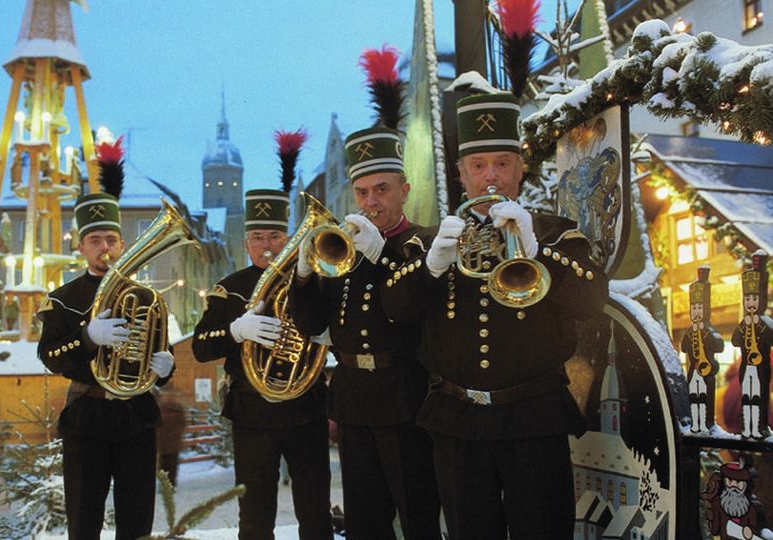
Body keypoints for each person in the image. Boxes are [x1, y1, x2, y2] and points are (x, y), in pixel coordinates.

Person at [381, 93, 609, 538]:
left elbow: (590, 299)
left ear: (520, 169)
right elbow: (395, 309)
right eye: (479, 164)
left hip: (534, 416)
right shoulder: (429, 242)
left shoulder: (555, 233)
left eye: (502, 163)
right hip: (457, 421)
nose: (491, 176)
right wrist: (431, 265)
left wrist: (536, 249)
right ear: (462, 173)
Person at [288, 123, 441, 538]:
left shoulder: (422, 243)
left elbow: (411, 310)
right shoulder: (344, 249)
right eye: (362, 192)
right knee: (364, 521)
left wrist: (381, 256)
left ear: (404, 190)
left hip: (406, 395)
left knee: (418, 514)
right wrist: (303, 276)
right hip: (355, 398)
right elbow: (312, 324)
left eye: (382, 189)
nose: (370, 203)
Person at [37, 139, 175, 540]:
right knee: (84, 520)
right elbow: (51, 356)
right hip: (87, 419)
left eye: (112, 239)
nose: (106, 248)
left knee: (137, 521)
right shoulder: (63, 299)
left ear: (122, 244)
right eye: (95, 240)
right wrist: (88, 337)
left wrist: (166, 368)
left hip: (136, 417)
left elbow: (159, 351)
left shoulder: (144, 297)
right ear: (80, 246)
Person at [192, 188, 333, 540]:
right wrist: (236, 330)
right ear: (245, 244)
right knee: (254, 515)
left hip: (306, 409)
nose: (267, 244)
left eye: (275, 235)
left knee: (316, 510)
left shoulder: (311, 282)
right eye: (257, 237)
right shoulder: (230, 289)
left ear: (289, 238)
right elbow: (200, 348)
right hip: (252, 413)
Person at [731, 251, 772, 439]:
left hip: (760, 368)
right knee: (747, 398)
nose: (751, 303)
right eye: (747, 299)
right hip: (746, 367)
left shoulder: (764, 323)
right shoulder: (744, 323)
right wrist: (744, 328)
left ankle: (759, 426)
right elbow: (734, 341)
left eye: (754, 299)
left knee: (759, 398)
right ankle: (748, 426)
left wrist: (758, 326)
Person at [682, 266, 722, 434]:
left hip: (706, 370)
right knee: (694, 398)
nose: (696, 312)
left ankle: (705, 422)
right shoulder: (691, 331)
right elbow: (684, 347)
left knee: (705, 398)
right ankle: (696, 424)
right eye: (694, 308)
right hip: (694, 371)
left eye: (699, 308)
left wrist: (705, 334)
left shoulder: (708, 331)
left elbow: (719, 345)